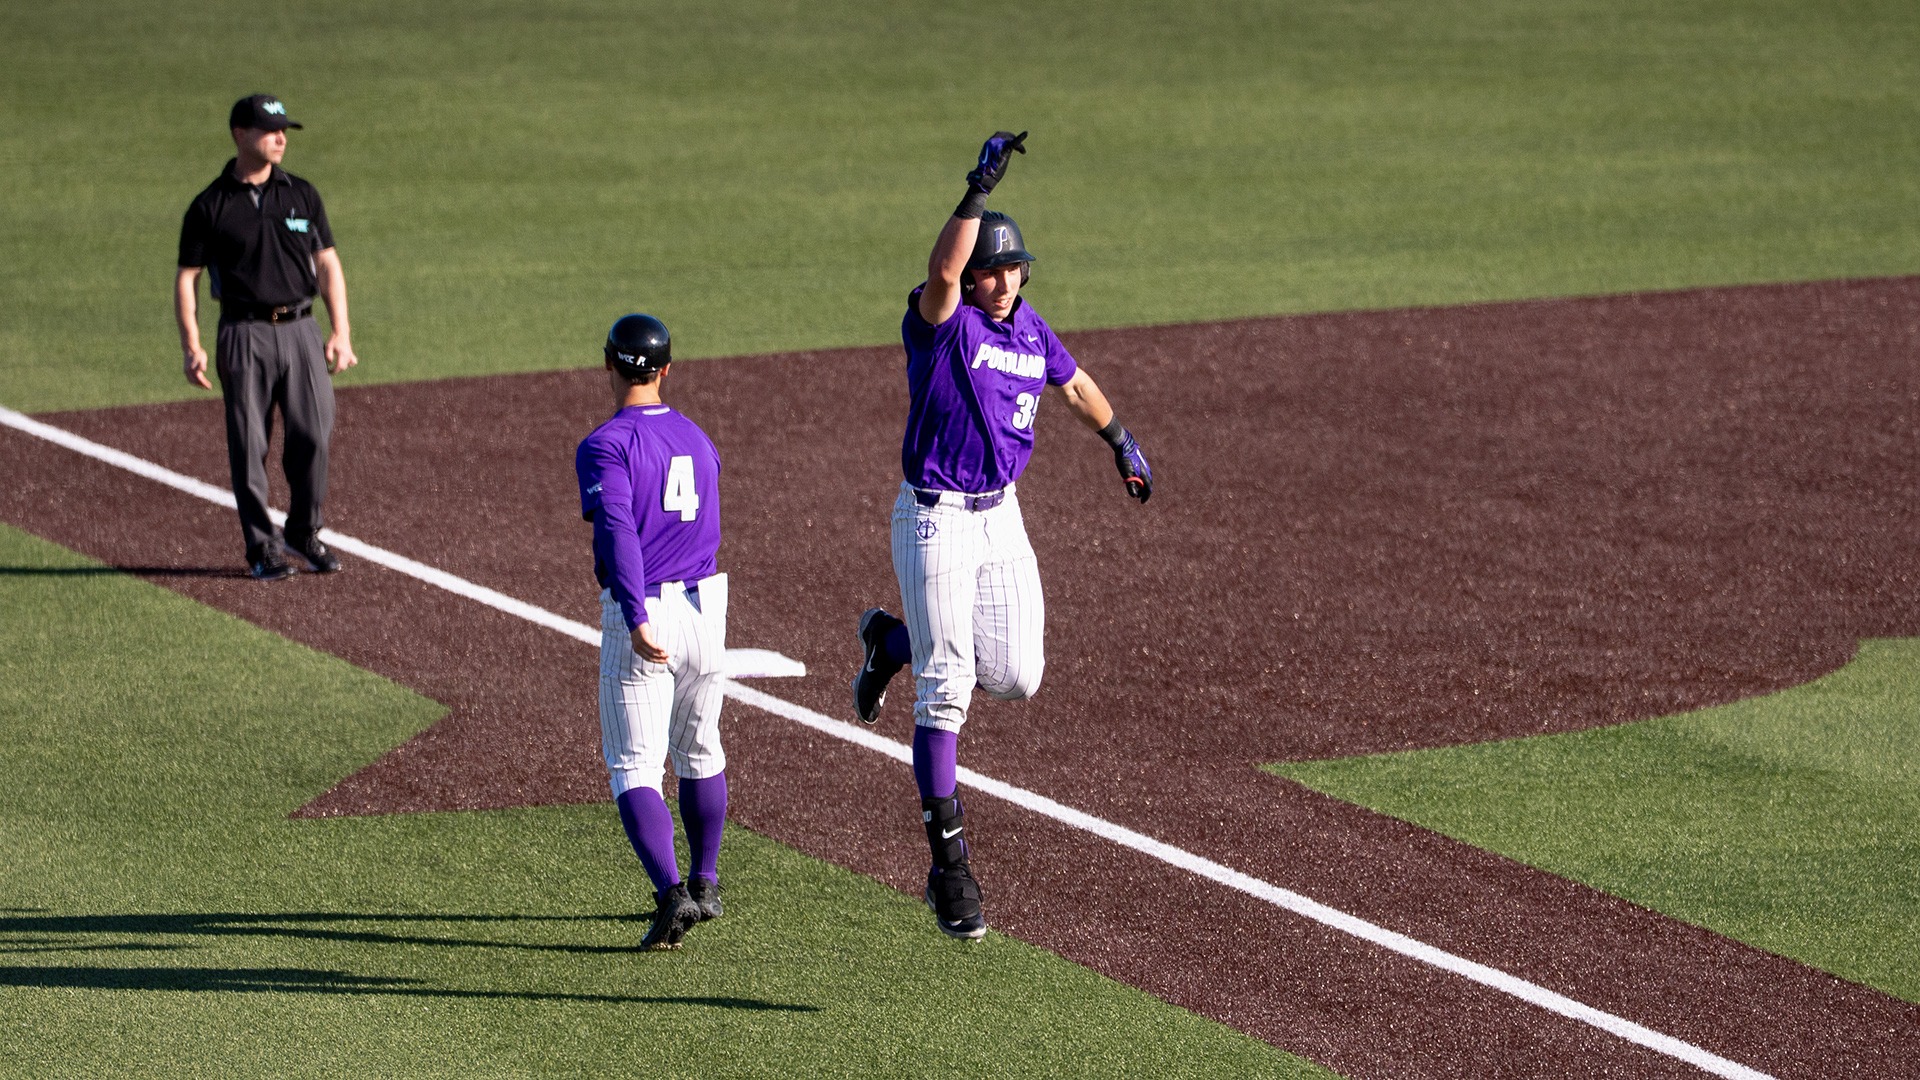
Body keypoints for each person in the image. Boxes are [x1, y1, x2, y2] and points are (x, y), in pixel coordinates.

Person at [851, 132, 1153, 939]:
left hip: (1001, 515)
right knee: (948, 687)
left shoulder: (1029, 329)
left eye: (1010, 267)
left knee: (1018, 675)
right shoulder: (944, 326)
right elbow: (944, 272)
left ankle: (893, 638)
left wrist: (1120, 440)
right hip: (935, 516)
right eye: (991, 267)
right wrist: (974, 192)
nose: (999, 278)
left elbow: (1076, 383)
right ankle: (949, 871)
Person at [576, 314, 730, 950]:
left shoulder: (606, 443)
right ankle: (706, 881)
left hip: (651, 611)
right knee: (701, 751)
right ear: (666, 370)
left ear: (608, 366)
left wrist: (637, 616)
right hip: (708, 603)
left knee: (635, 765)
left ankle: (671, 897)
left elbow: (618, 530)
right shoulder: (697, 438)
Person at [175, 94, 359, 580]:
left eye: (284, 130)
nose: (280, 138)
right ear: (240, 134)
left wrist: (340, 330)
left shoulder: (302, 195)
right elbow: (187, 277)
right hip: (243, 333)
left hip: (301, 330)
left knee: (314, 435)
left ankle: (303, 531)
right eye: (270, 130)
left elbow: (327, 263)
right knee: (248, 442)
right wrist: (191, 344)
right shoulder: (209, 205)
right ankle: (262, 547)